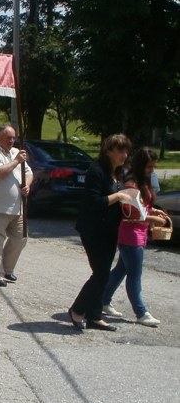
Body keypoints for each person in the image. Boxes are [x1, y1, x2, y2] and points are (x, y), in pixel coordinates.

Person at [69, 134, 132, 332]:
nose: (124, 154)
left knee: (103, 273)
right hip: (93, 229)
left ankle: (94, 316)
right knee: (101, 273)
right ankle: (77, 309)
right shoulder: (96, 171)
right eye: (120, 150)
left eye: (126, 150)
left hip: (110, 230)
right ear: (108, 151)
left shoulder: (119, 173)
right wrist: (119, 195)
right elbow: (95, 202)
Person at [102, 147, 168, 327]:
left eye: (153, 166)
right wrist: (152, 218)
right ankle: (141, 313)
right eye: (149, 167)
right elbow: (129, 213)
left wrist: (153, 210)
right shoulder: (131, 184)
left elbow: (142, 206)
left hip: (137, 234)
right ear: (140, 166)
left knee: (120, 270)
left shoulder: (141, 182)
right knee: (134, 275)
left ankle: (103, 300)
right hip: (131, 235)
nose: (152, 170)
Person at [0, 124, 34, 287]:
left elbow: (29, 173)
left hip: (17, 207)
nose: (12, 141)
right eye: (8, 138)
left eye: (13, 138)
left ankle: (7, 270)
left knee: (21, 238)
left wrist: (28, 185)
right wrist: (16, 161)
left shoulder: (16, 152)